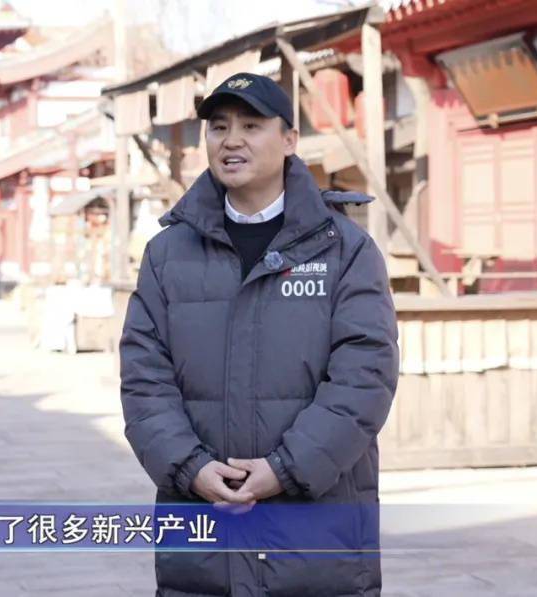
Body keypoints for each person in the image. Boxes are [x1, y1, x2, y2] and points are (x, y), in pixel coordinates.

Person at [120, 71, 399, 597]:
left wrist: (286, 469)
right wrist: (190, 467)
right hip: (203, 538)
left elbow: (365, 378)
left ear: (290, 139)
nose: (232, 140)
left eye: (251, 126)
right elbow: (143, 379)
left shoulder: (344, 249)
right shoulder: (167, 255)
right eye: (219, 127)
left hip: (316, 539)